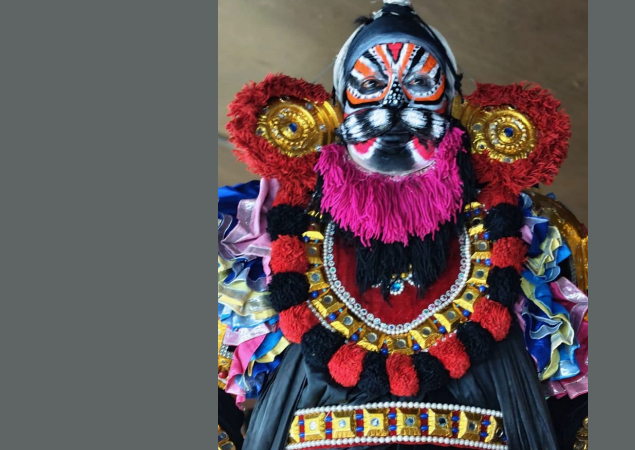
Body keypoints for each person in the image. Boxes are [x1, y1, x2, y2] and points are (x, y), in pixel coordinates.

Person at [217, 1, 588, 449]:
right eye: (371, 84)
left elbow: (578, 407)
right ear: (337, 105)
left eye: (418, 84)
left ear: (451, 102)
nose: (394, 104)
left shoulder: (528, 230)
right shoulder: (261, 227)